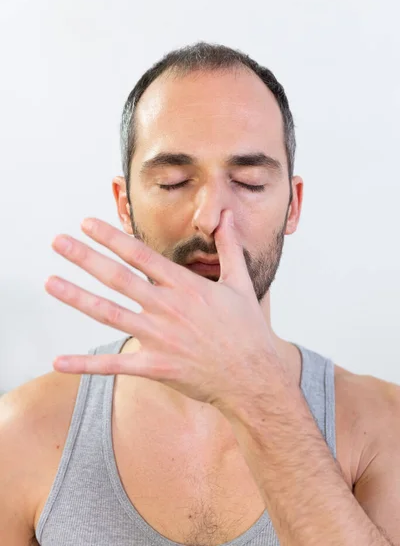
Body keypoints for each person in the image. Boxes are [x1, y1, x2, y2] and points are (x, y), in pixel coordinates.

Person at [1, 42, 399, 546]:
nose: (210, 217)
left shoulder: (385, 428)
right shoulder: (20, 432)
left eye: (249, 182)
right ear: (124, 206)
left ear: (292, 206)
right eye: (173, 181)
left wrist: (256, 394)